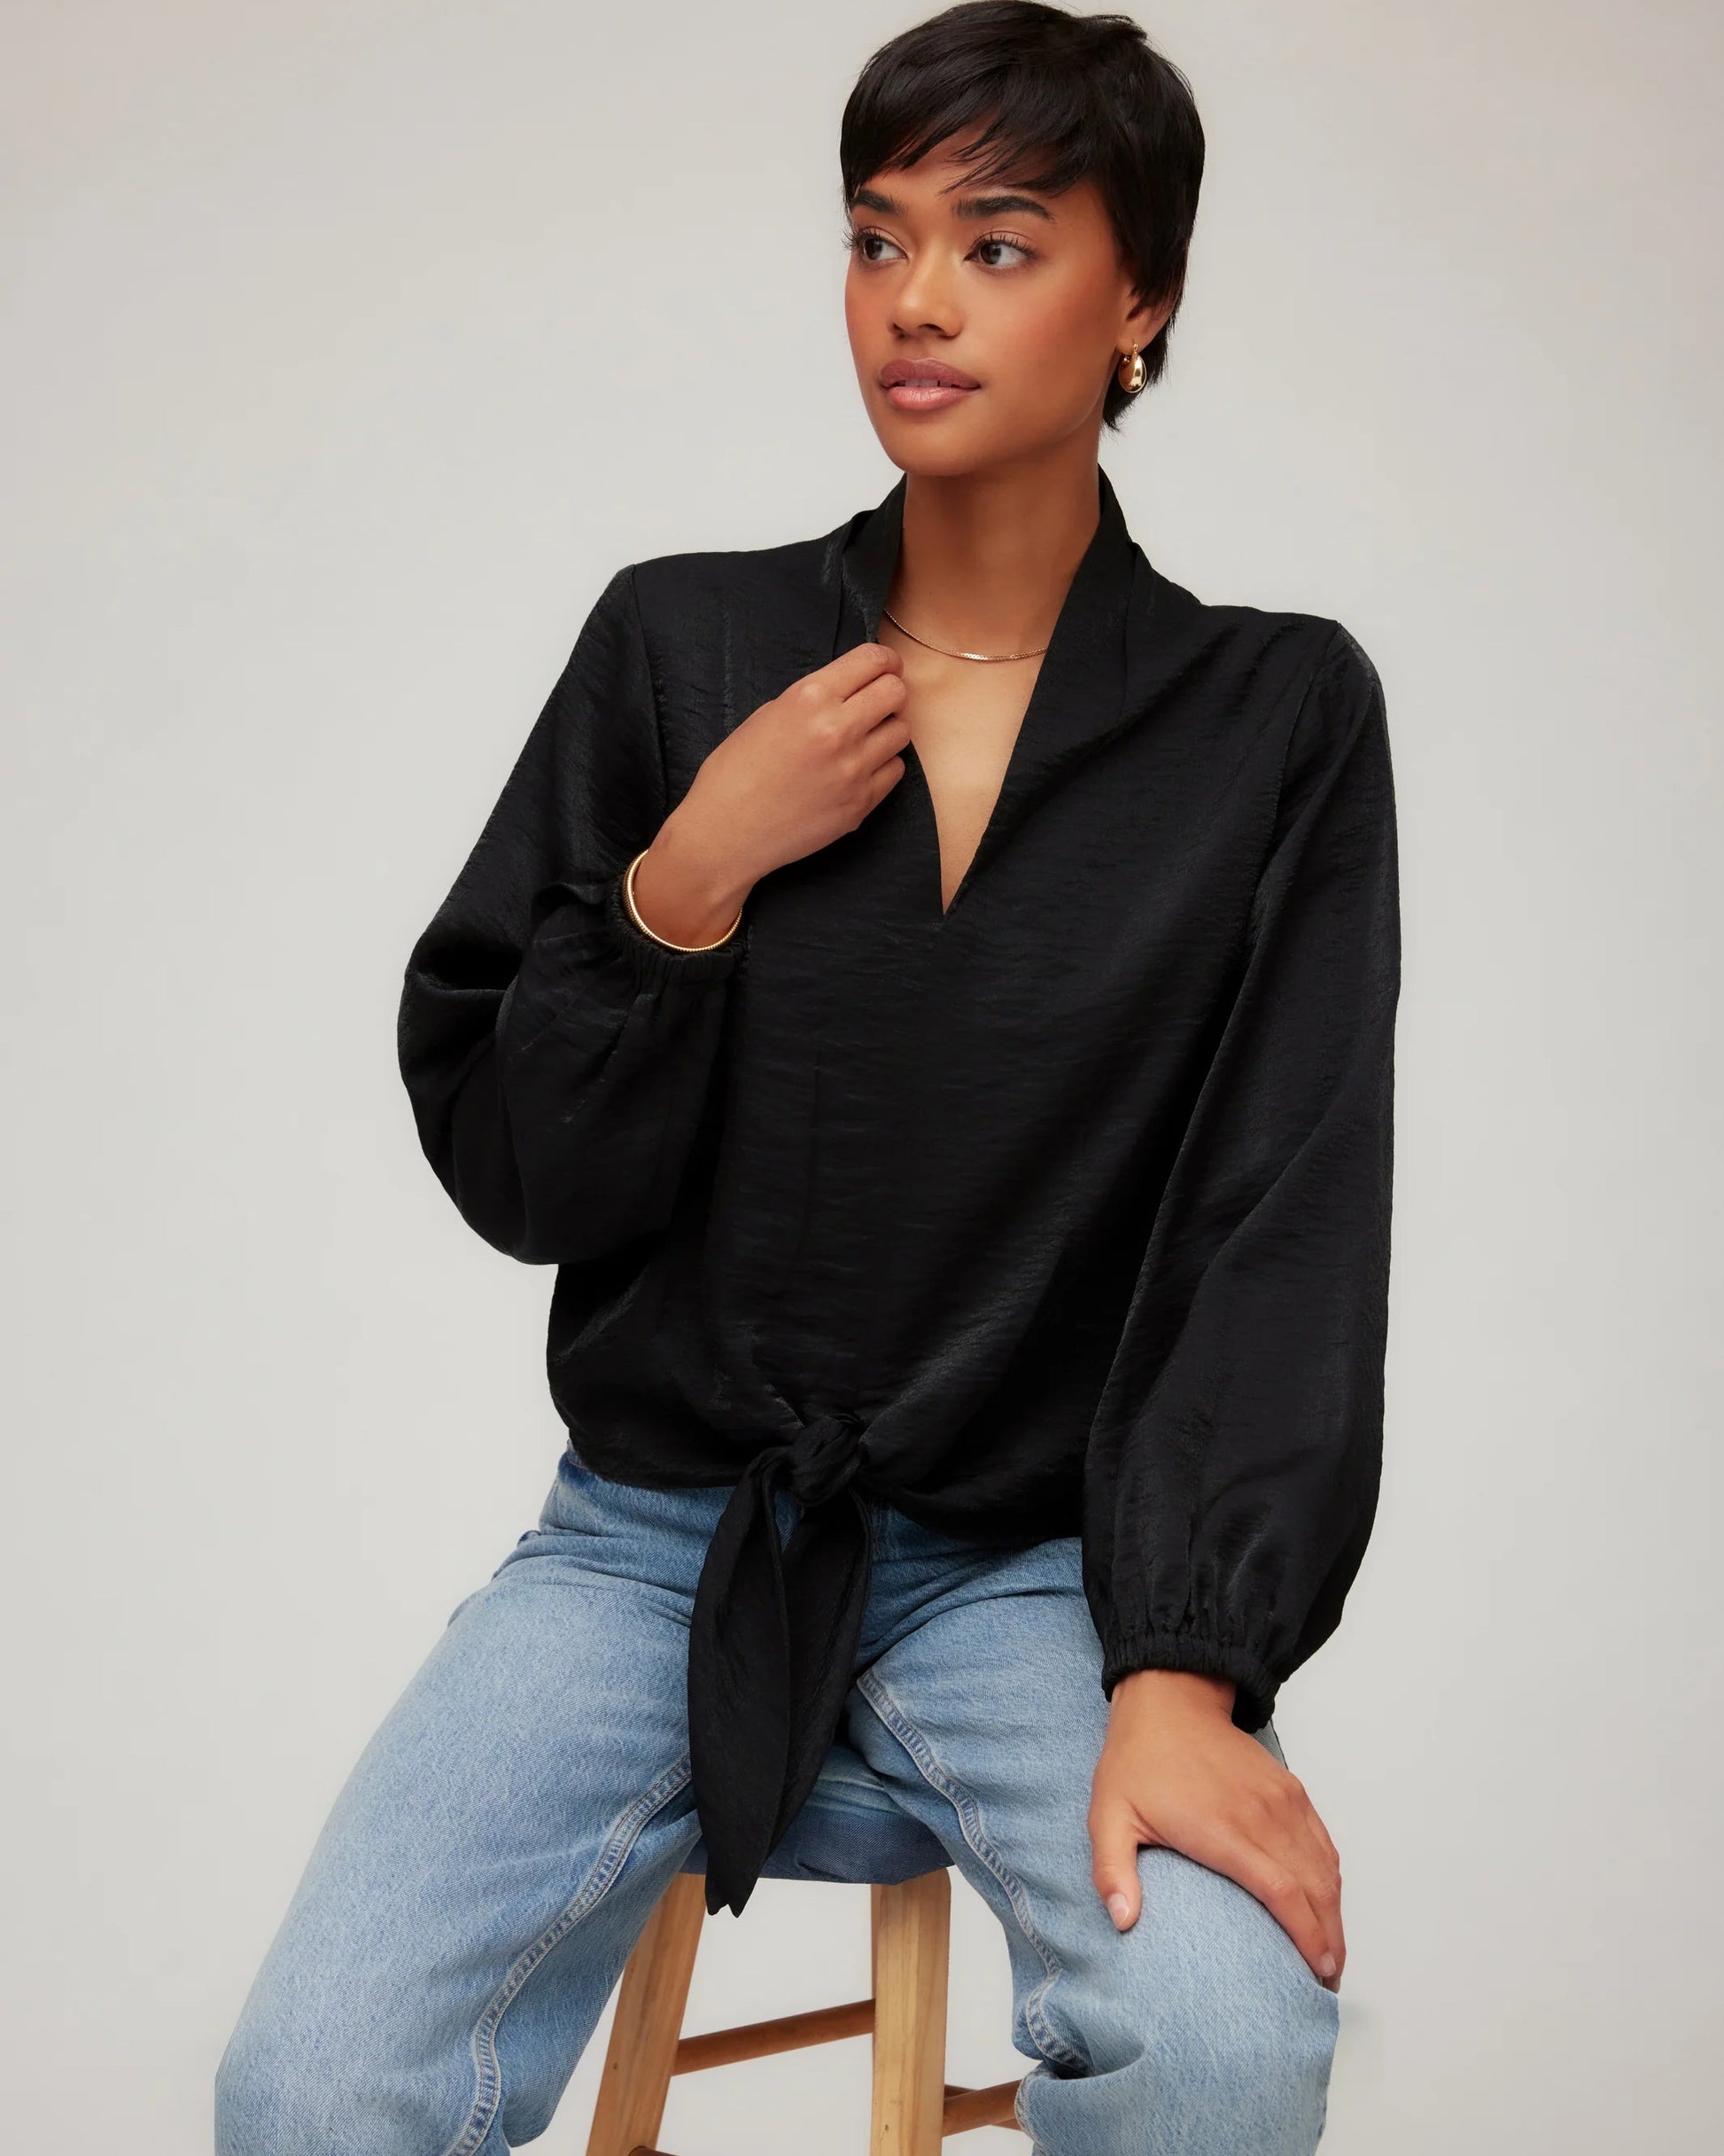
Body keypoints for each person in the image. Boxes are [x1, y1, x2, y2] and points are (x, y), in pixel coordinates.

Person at [214, 4, 1400, 2152]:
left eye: (998, 243)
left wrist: (1186, 1663)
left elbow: (1277, 1210)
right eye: (876, 238)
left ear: (1141, 299)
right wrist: (684, 878)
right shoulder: (682, 645)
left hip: (1049, 1573)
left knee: (1226, 2048)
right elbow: (521, 1167)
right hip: (650, 1541)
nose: (915, 298)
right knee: (307, 2088)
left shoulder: (1273, 715)